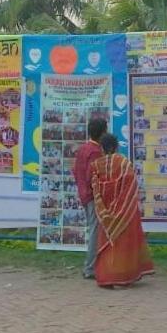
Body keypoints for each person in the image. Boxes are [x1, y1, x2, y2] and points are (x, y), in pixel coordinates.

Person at [89, 133, 154, 288]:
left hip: (104, 212)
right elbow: (130, 187)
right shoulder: (125, 164)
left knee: (108, 244)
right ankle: (124, 276)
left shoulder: (96, 165)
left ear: (102, 148)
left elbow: (96, 188)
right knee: (123, 244)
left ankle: (106, 277)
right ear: (116, 146)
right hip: (125, 210)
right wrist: (122, 206)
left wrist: (105, 209)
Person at [73, 118, 107, 279]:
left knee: (95, 228)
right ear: (103, 133)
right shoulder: (95, 151)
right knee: (95, 230)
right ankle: (90, 267)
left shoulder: (83, 149)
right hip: (92, 196)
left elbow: (76, 171)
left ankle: (95, 265)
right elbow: (92, 176)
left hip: (84, 194)